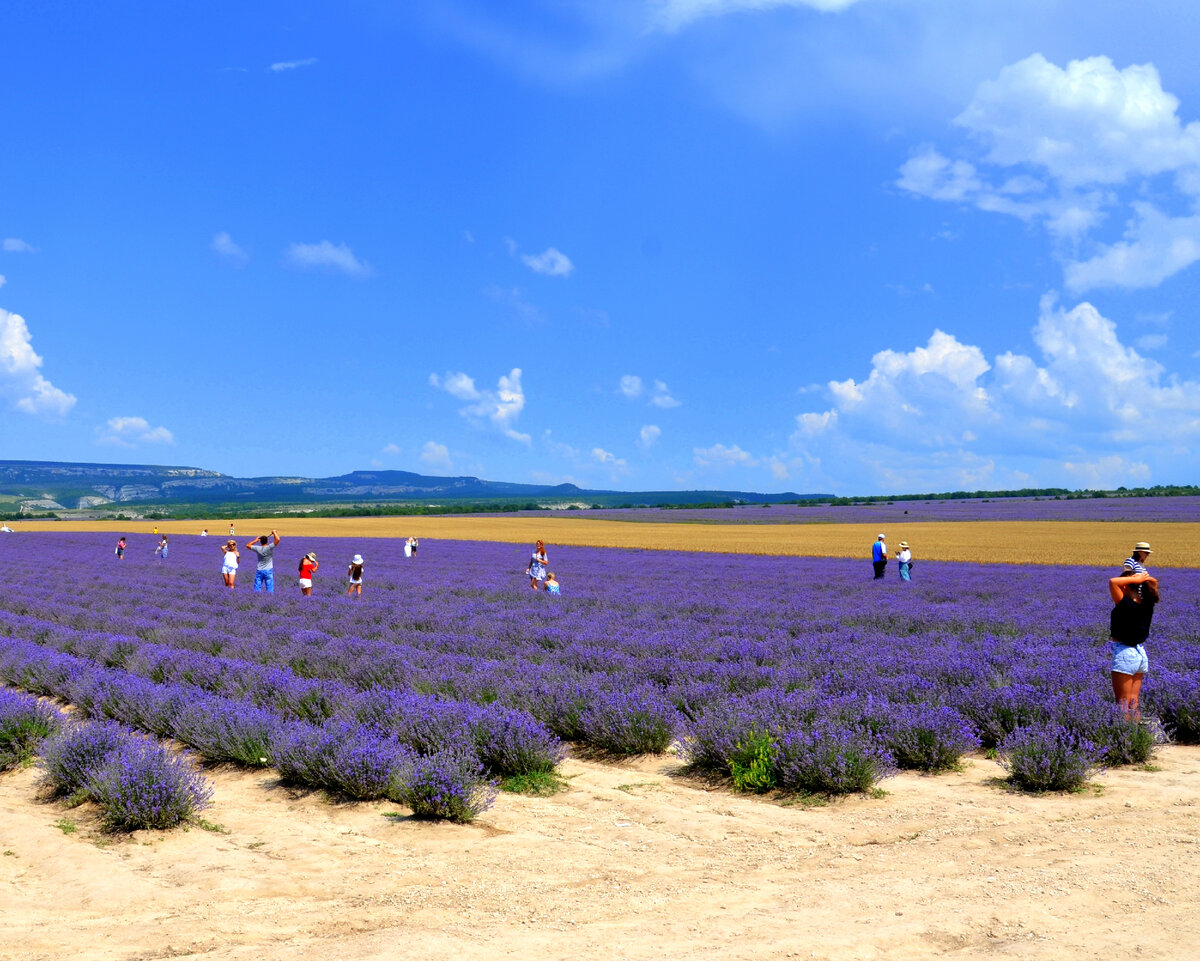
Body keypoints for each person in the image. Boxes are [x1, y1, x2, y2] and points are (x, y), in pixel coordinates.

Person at [1108, 571, 1158, 719]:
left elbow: (1112, 581)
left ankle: (1125, 740)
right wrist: (1143, 578)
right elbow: (1154, 582)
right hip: (1140, 654)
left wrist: (1135, 579)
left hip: (1125, 654)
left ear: (1127, 586)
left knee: (1122, 703)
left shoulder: (1125, 605)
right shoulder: (1147, 605)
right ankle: (1135, 736)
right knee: (1133, 702)